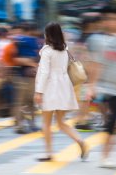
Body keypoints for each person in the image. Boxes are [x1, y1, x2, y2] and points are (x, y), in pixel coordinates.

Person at [34, 22, 88, 162]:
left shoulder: (47, 51)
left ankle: (48, 153)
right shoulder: (64, 50)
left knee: (46, 123)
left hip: (50, 88)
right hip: (64, 87)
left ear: (48, 35)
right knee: (61, 122)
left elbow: (44, 72)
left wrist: (39, 92)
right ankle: (80, 141)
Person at [86, 5, 116, 168]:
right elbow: (94, 64)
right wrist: (92, 86)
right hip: (103, 86)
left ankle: (105, 155)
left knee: (112, 121)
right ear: (105, 21)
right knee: (111, 119)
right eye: (112, 19)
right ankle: (105, 156)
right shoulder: (97, 40)